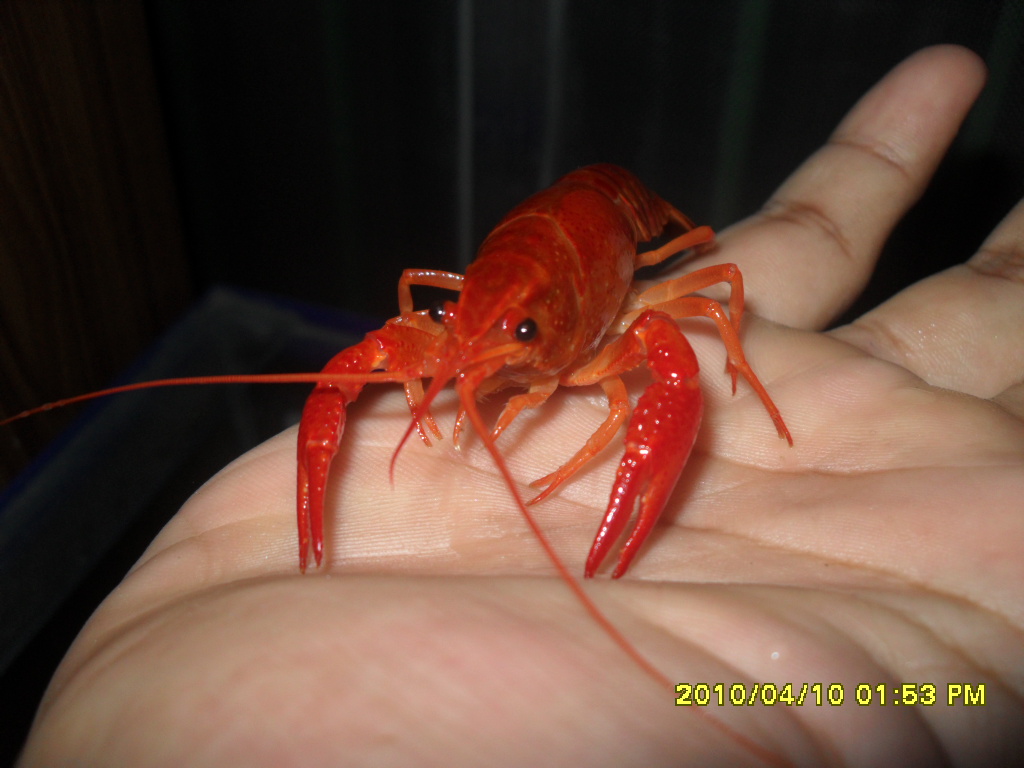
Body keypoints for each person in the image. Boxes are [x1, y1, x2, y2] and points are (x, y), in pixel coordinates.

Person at [18, 45, 1022, 766]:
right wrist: (466, 346)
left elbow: (687, 338)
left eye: (514, 339)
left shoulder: (617, 321)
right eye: (460, 322)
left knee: (678, 352)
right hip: (527, 269)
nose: (475, 355)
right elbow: (392, 334)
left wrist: (649, 388)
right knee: (369, 364)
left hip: (612, 207)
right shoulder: (467, 315)